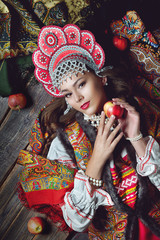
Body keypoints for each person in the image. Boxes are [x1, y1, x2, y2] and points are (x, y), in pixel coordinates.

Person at [18, 24, 160, 240]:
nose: (77, 98)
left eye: (81, 84)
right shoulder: (64, 142)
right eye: (67, 94)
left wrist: (137, 138)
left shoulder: (138, 109)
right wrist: (96, 160)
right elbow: (76, 222)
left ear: (101, 77)